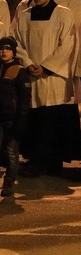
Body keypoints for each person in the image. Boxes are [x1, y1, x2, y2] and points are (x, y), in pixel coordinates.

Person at [13, 0, 81, 176]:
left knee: (51, 120)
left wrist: (46, 66)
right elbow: (17, 42)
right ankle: (36, 159)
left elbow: (67, 43)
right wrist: (28, 63)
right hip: (32, 72)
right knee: (34, 120)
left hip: (53, 76)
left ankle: (51, 161)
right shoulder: (25, 15)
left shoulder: (63, 14)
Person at [0, 36, 31, 197]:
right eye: (2, 48)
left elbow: (25, 97)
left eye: (7, 49)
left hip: (12, 118)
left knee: (11, 152)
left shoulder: (18, 70)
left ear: (13, 52)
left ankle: (9, 183)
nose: (4, 51)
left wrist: (21, 119)